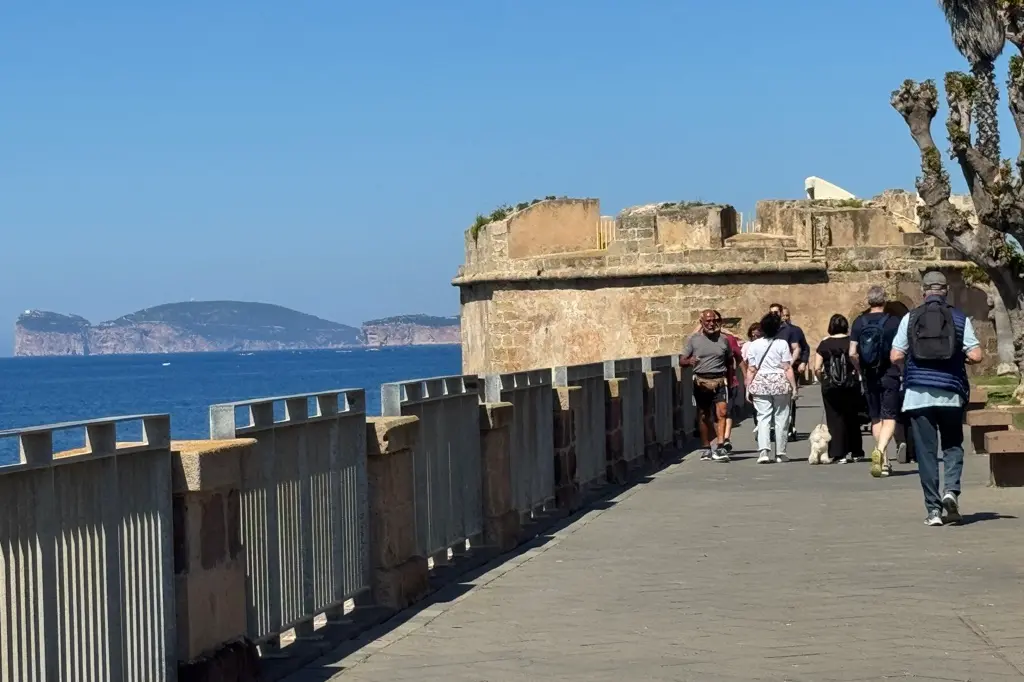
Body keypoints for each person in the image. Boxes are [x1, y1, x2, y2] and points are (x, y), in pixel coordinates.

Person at [890, 271, 983, 526]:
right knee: (953, 446)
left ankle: (933, 511)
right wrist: (956, 358)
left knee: (927, 452)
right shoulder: (959, 318)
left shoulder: (910, 318)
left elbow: (896, 355)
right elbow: (976, 355)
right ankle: (950, 491)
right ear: (946, 291)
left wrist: (908, 366)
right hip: (951, 393)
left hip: (917, 395)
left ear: (923, 292)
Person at [850, 286, 904, 477]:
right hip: (889, 373)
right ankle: (880, 452)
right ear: (885, 300)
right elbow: (900, 351)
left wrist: (860, 370)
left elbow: (852, 353)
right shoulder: (894, 322)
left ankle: (884, 463)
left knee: (875, 417)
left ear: (868, 301)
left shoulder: (858, 322)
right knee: (889, 416)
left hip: (868, 374)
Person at [744, 313, 798, 464]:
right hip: (779, 383)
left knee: (763, 418)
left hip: (761, 383)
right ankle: (780, 452)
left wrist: (748, 387)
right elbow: (787, 368)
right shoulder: (782, 344)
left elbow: (751, 369)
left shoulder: (754, 345)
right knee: (782, 417)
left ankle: (763, 452)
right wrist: (794, 388)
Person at [681, 309, 734, 462]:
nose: (711, 324)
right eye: (708, 321)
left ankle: (720, 445)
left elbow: (730, 362)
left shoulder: (724, 340)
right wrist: (688, 361)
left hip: (719, 380)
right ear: (701, 322)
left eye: (714, 321)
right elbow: (682, 360)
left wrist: (730, 382)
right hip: (701, 381)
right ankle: (705, 447)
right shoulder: (694, 340)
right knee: (704, 415)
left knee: (722, 412)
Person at [814, 314, 864, 464]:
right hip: (850, 383)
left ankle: (838, 453)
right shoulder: (852, 342)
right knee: (853, 417)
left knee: (834, 418)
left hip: (831, 385)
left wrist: (824, 379)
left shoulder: (824, 344)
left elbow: (817, 368)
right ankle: (856, 451)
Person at [769, 303, 808, 439]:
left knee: (789, 397)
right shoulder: (767, 329)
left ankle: (790, 426)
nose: (774, 315)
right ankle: (774, 427)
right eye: (771, 313)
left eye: (776, 313)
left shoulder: (793, 330)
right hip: (772, 369)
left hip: (790, 368)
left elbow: (803, 347)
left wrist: (802, 362)